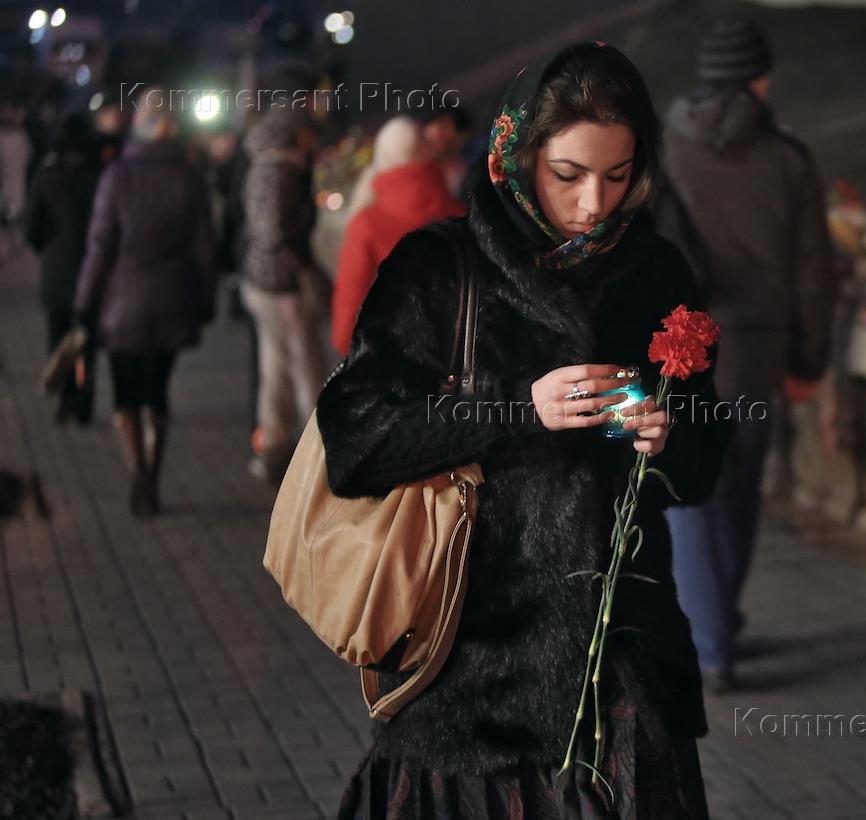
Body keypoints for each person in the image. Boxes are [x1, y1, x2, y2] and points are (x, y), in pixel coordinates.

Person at [318, 42, 729, 820]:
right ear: (518, 155)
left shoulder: (657, 271)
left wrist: (669, 433)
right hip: (472, 679)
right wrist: (515, 408)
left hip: (624, 673)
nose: (594, 203)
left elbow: (706, 464)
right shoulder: (440, 268)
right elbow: (355, 443)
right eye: (568, 174)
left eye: (618, 175)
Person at [657, 17, 839, 691]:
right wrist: (809, 362)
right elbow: (814, 276)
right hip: (757, 358)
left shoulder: (661, 148)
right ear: (759, 79)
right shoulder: (788, 160)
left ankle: (709, 640)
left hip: (680, 350)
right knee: (737, 494)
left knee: (689, 497)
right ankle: (718, 629)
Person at [73, 93, 217, 516]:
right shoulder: (190, 178)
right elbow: (205, 251)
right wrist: (206, 301)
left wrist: (84, 303)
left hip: (122, 303)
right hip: (173, 299)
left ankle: (136, 465)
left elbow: (99, 247)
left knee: (125, 393)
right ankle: (154, 468)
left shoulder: (117, 176)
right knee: (158, 391)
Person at [239, 107, 327, 482]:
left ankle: (274, 439)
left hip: (263, 279)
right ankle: (315, 442)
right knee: (303, 360)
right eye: (308, 132)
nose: (312, 138)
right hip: (281, 281)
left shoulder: (265, 164)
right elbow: (273, 228)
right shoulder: (281, 169)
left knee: (276, 360)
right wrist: (300, 266)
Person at [330, 116, 464, 356]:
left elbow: (352, 294)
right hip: (449, 349)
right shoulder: (459, 214)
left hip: (387, 350)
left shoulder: (367, 223)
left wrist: (345, 344)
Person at [24, 113, 103, 424]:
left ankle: (65, 396)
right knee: (87, 341)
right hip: (92, 269)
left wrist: (48, 247)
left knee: (58, 338)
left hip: (57, 272)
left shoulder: (47, 178)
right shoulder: (100, 177)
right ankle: (84, 401)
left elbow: (32, 229)